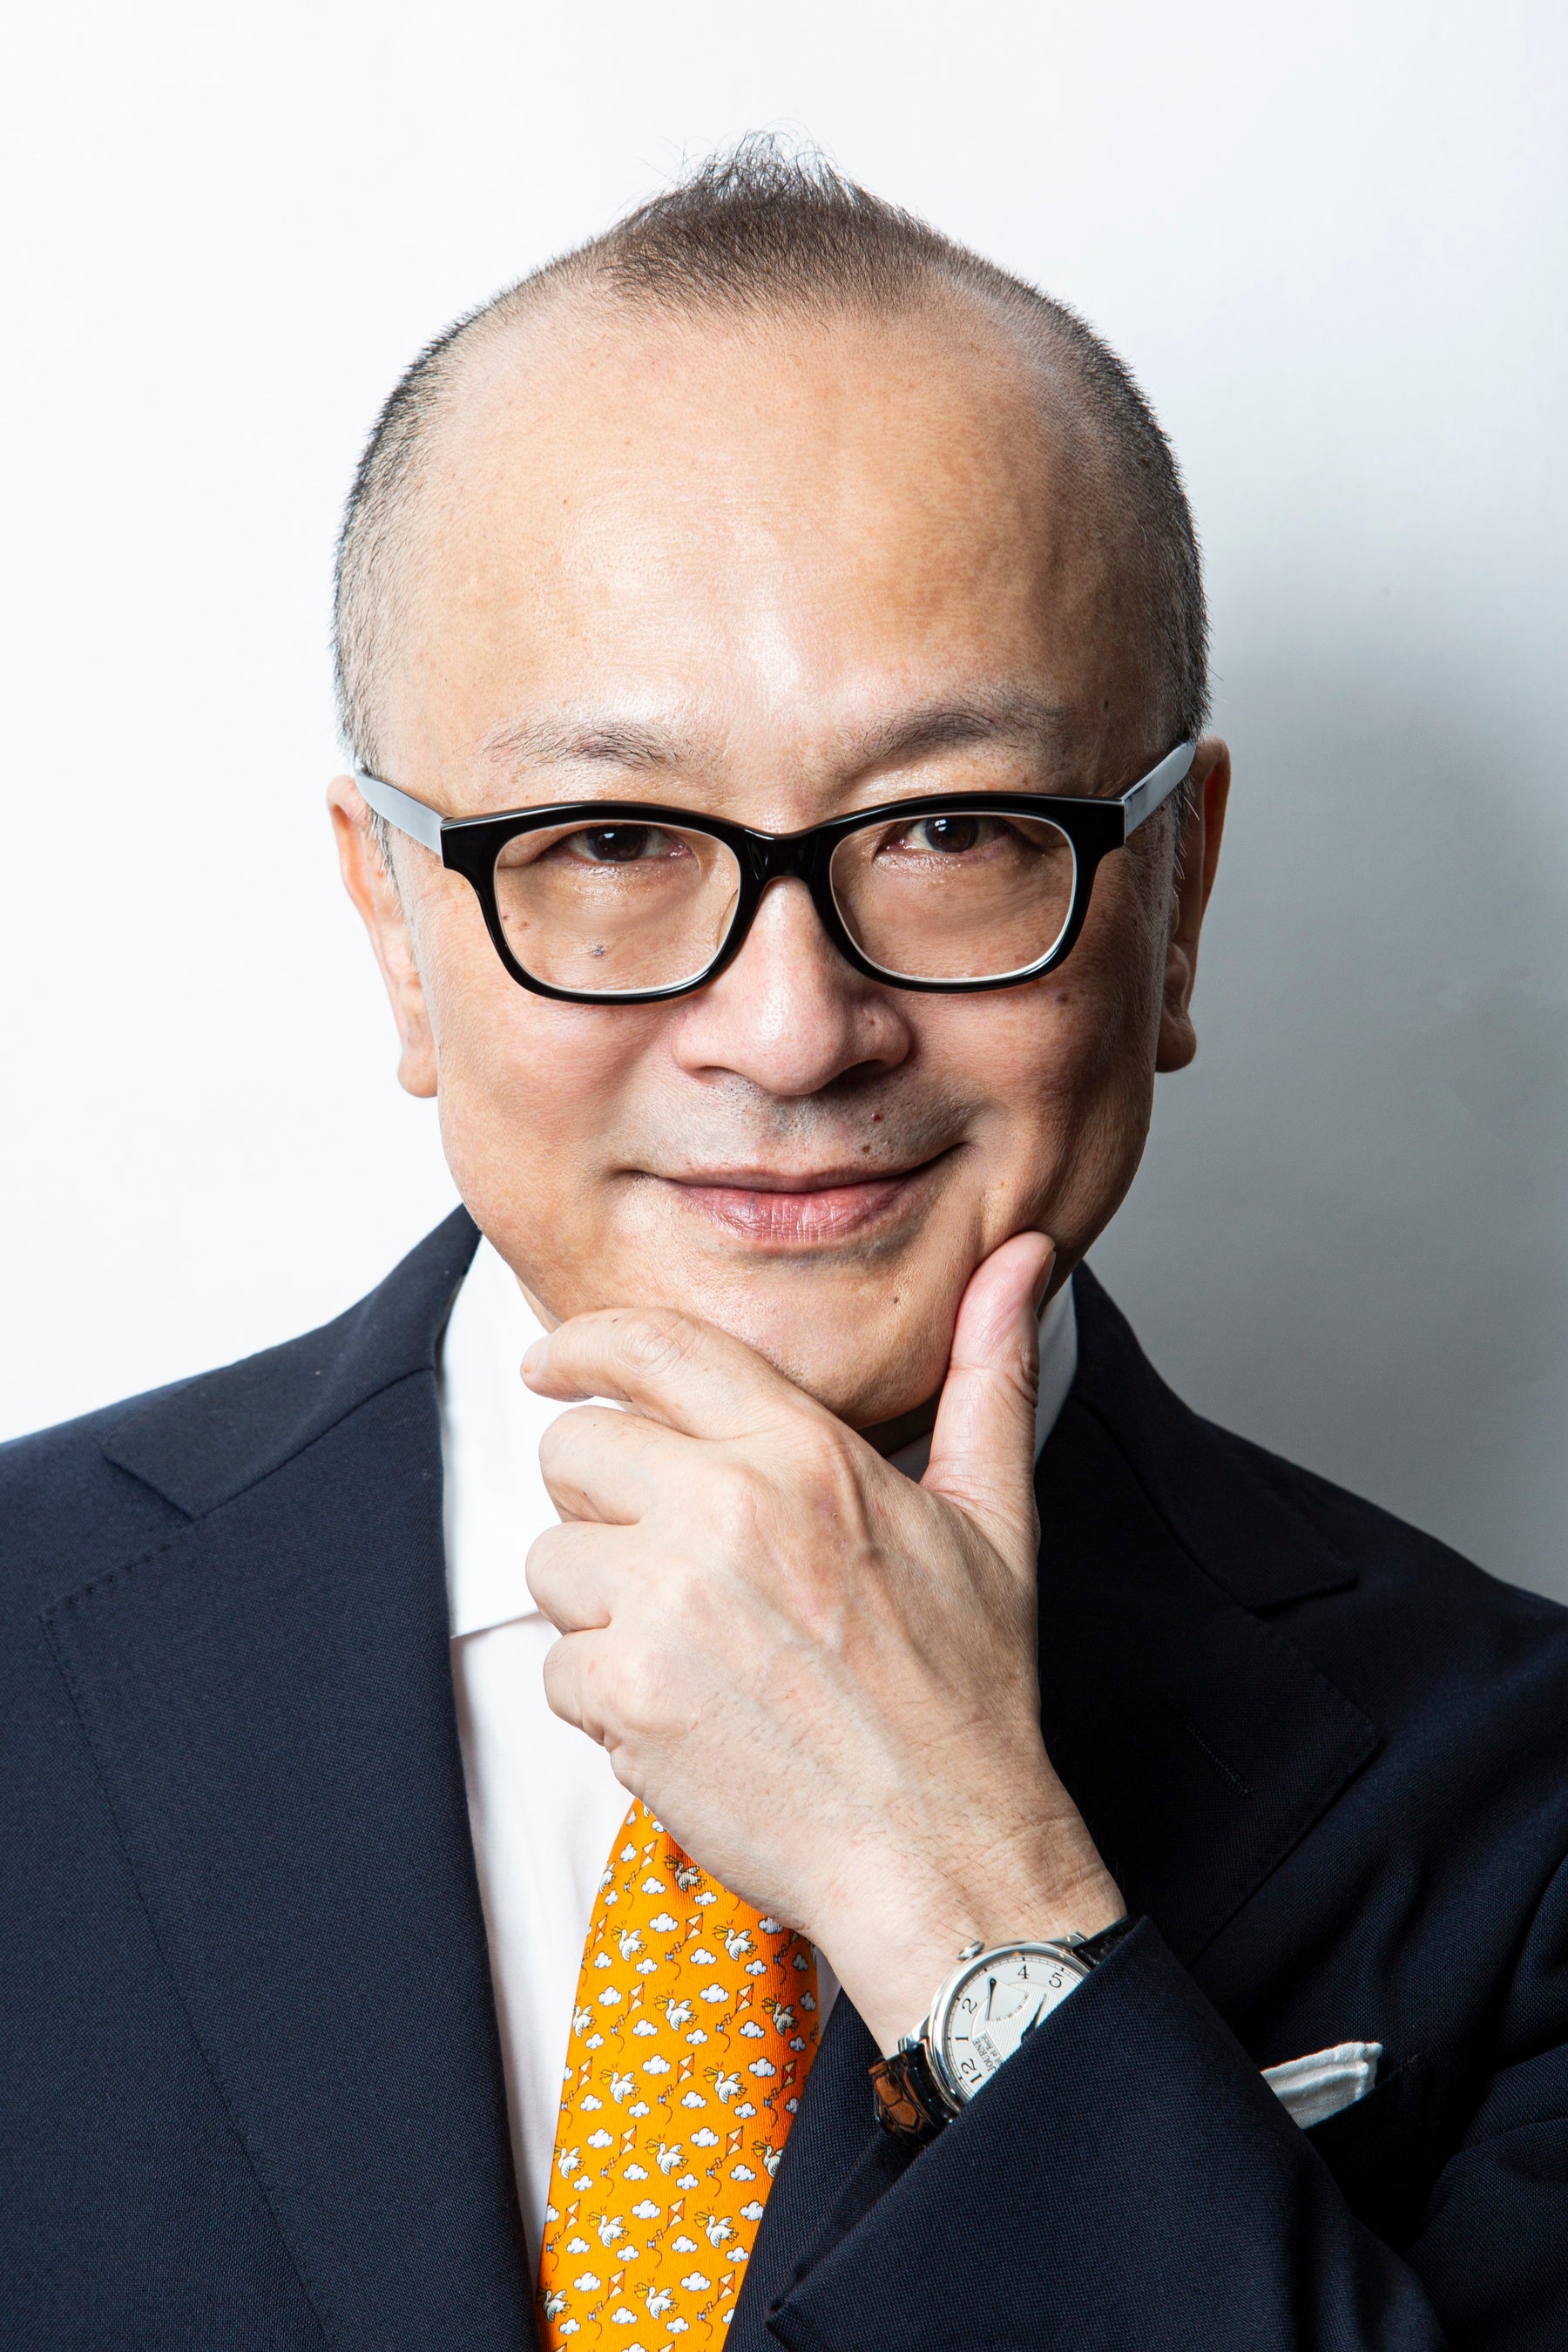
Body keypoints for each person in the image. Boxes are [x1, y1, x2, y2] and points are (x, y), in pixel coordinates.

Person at [3, 145, 1566, 2352]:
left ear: (1179, 898)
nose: (792, 1028)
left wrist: (966, 1896)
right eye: (608, 839)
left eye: (950, 828)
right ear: (395, 926)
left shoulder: (1531, 1795)